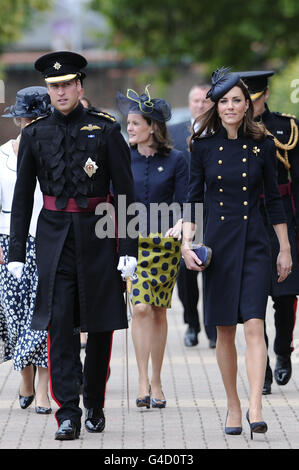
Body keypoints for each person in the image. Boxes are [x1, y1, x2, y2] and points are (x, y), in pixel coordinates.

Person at [7, 51, 137, 440]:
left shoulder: (106, 129)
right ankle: (67, 411)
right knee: (59, 323)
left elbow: (126, 192)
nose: (60, 92)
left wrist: (129, 247)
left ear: (79, 86)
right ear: (48, 91)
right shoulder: (35, 132)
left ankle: (94, 400)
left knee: (99, 325)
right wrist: (15, 252)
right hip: (54, 236)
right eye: (54, 87)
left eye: (66, 85)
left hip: (98, 235)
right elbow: (22, 197)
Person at [182, 67, 292, 439]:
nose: (230, 106)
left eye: (237, 100)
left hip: (257, 243)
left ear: (248, 105)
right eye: (224, 101)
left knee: (254, 323)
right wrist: (186, 243)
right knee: (225, 330)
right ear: (216, 105)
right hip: (219, 245)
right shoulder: (202, 145)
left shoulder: (263, 144)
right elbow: (193, 200)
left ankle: (256, 407)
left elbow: (275, 201)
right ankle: (232, 402)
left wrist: (285, 249)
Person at [116, 85, 188, 409]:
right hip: (133, 244)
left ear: (152, 127)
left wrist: (181, 223)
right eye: (128, 123)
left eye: (134, 123)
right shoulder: (121, 157)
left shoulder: (176, 160)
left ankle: (157, 381)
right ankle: (142, 380)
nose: (128, 128)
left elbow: (186, 200)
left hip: (166, 247)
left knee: (158, 311)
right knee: (140, 307)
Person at [238, 71, 299, 395]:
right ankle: (260, 368)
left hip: (282, 217)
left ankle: (282, 351)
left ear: (265, 95)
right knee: (254, 297)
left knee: (286, 294)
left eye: (255, 98)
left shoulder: (287, 128)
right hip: (249, 217)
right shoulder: (233, 131)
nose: (250, 104)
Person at [0, 86, 52, 415]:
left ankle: (45, 391)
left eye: (36, 118)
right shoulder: (3, 154)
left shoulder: (54, 151)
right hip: (8, 242)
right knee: (17, 316)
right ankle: (25, 377)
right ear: (18, 120)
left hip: (48, 239)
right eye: (25, 118)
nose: (29, 123)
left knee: (46, 316)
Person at [169, 84, 217, 348]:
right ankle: (191, 324)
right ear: (189, 103)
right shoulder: (174, 133)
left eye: (205, 101)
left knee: (212, 268)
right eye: (196, 100)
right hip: (183, 213)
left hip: (213, 211)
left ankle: (212, 329)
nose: (200, 105)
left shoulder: (221, 134)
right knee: (185, 275)